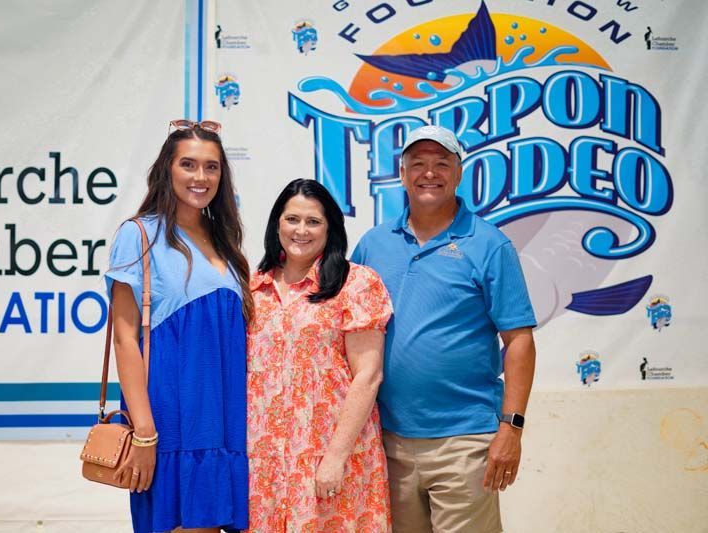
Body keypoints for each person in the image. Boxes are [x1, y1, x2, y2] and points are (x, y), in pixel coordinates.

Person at [351, 125, 537, 533]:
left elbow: (519, 341)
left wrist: (512, 428)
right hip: (386, 441)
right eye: (418, 164)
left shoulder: (489, 245)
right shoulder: (372, 245)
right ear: (402, 174)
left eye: (441, 163)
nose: (429, 173)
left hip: (465, 442)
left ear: (458, 173)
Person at [105, 119, 252, 533]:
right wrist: (146, 433)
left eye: (212, 167)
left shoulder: (224, 239)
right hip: (174, 424)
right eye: (188, 164)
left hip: (227, 423)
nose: (200, 177)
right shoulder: (139, 235)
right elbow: (125, 339)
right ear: (167, 169)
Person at [246, 179, 393, 531]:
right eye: (291, 219)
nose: (301, 230)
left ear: (331, 229)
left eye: (313, 222)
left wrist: (335, 458)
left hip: (331, 459)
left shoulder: (356, 283)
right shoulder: (254, 288)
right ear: (276, 224)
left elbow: (368, 375)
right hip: (265, 467)